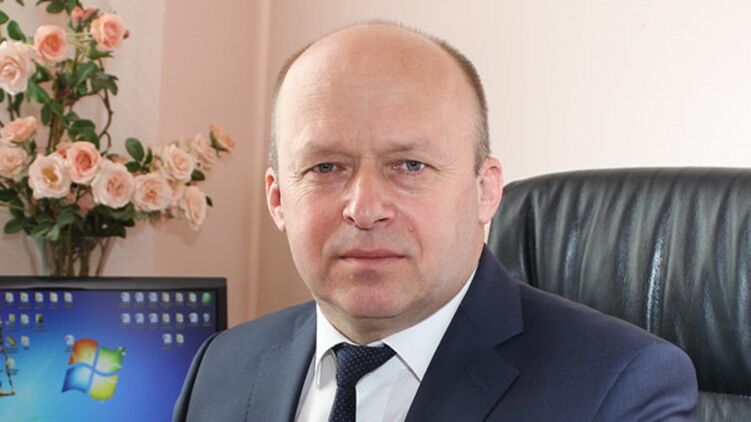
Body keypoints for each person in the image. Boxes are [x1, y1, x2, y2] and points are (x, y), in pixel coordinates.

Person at [173, 22, 698, 421]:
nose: (365, 209)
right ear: (278, 199)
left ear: (485, 190)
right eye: (326, 167)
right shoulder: (220, 367)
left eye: (410, 166)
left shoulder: (620, 389)